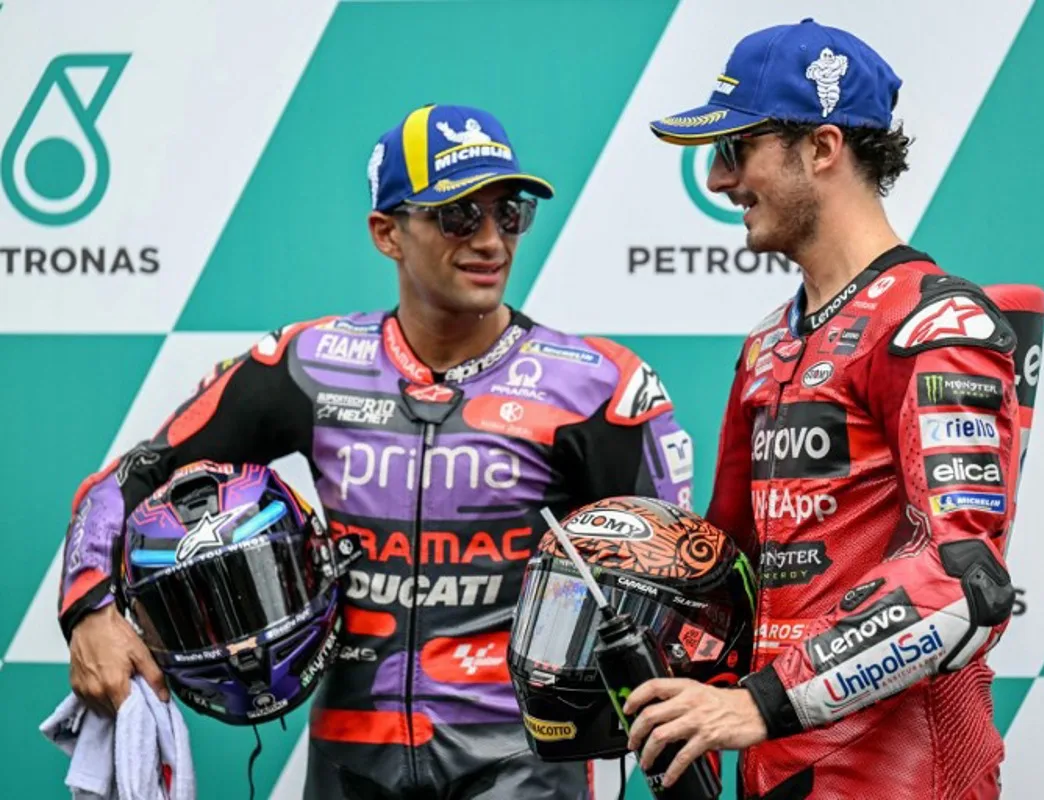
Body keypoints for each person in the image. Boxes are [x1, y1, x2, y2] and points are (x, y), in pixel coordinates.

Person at [58, 103, 695, 800]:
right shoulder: (308, 364)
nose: (491, 241)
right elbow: (122, 485)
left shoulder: (596, 385)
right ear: (387, 233)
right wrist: (88, 607)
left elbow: (682, 594)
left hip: (531, 761)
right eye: (458, 216)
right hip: (353, 759)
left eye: (508, 214)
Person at [622, 19, 1021, 800]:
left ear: (822, 148)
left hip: (900, 775)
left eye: (735, 150)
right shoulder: (769, 343)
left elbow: (964, 583)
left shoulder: (936, 326)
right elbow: (732, 563)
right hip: (774, 766)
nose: (717, 180)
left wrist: (759, 703)